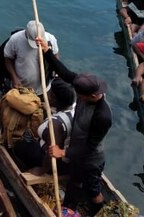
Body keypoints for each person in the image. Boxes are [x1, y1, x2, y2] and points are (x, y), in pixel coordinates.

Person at [38, 39, 112, 215]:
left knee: (93, 190)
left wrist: (62, 152)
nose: (76, 95)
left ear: (92, 95)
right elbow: (65, 73)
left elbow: (89, 147)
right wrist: (47, 51)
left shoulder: (102, 116)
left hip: (90, 158)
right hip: (76, 150)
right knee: (75, 182)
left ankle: (98, 212)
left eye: (80, 95)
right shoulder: (84, 87)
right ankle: (69, 208)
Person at [4, 20, 58, 95]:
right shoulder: (15, 39)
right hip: (21, 88)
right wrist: (14, 78)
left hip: (43, 89)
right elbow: (8, 58)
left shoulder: (51, 39)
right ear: (26, 33)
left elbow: (56, 56)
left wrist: (55, 73)